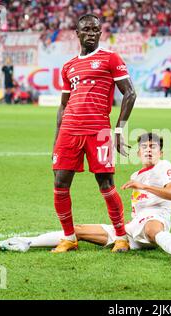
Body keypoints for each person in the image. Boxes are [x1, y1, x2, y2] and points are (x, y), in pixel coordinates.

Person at [0, 133, 171, 266]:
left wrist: (143, 186)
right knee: (77, 230)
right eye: (144, 147)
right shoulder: (136, 175)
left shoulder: (165, 167)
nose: (148, 150)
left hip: (155, 221)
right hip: (132, 229)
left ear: (160, 152)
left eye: (153, 147)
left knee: (153, 229)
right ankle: (25, 242)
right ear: (139, 152)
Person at [51, 14, 136, 253]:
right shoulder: (68, 66)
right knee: (60, 183)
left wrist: (119, 130)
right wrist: (57, 138)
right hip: (69, 131)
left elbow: (130, 93)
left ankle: (121, 237)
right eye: (86, 29)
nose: (91, 33)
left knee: (106, 184)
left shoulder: (110, 59)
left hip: (98, 130)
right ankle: (69, 238)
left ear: (101, 33)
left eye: (96, 30)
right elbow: (63, 105)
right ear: (77, 34)